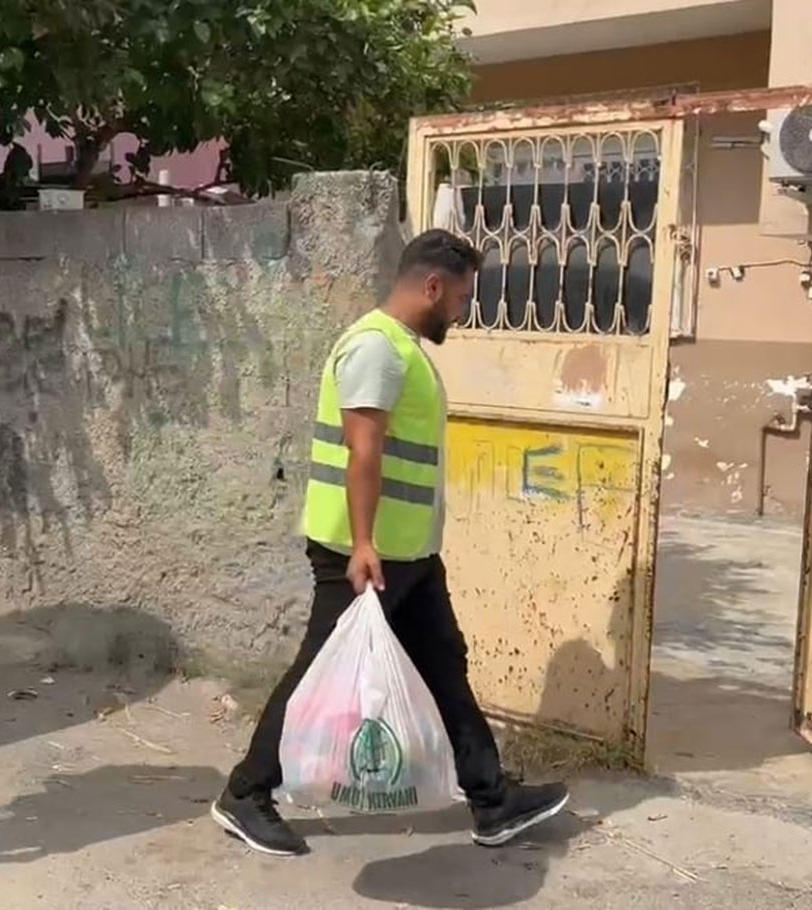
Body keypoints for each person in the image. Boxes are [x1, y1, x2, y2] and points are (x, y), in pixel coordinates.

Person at [210, 229, 569, 857]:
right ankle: (245, 794)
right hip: (366, 553)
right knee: (316, 674)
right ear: (431, 286)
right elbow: (364, 449)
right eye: (459, 297)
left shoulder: (401, 348)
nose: (460, 310)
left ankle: (491, 800)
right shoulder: (376, 348)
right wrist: (365, 542)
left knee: (444, 664)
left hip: (409, 554)